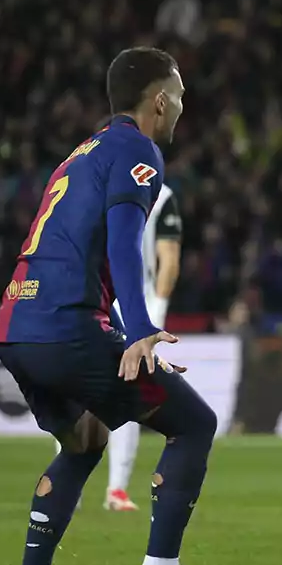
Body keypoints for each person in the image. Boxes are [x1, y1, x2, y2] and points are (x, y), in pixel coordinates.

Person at [0, 47, 228, 565]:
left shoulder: (83, 152)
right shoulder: (136, 150)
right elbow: (125, 244)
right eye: (179, 94)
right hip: (65, 324)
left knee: (85, 439)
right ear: (160, 100)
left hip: (17, 324)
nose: (182, 105)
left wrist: (125, 335)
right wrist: (143, 329)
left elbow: (77, 252)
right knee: (194, 423)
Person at [101, 179, 182, 512]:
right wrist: (154, 313)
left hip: (97, 304)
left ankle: (72, 485)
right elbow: (170, 260)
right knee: (128, 395)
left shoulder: (92, 186)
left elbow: (169, 261)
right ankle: (115, 488)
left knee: (80, 392)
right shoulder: (162, 196)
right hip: (129, 308)